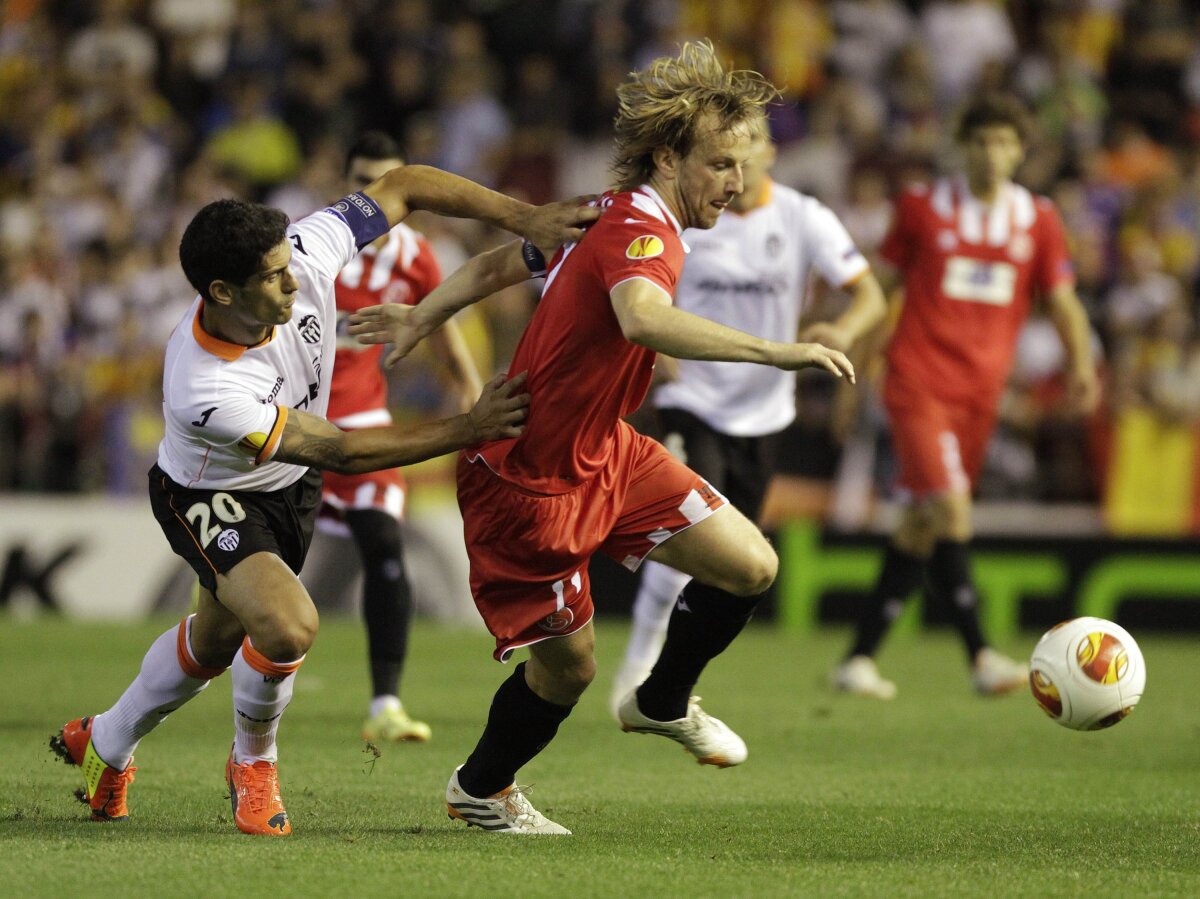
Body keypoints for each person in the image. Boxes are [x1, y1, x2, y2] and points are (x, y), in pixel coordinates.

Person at [351, 40, 854, 835]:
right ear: (669, 157)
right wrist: (775, 351)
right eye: (720, 164)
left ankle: (662, 698)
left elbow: (500, 265)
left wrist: (425, 312)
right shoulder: (640, 230)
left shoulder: (604, 212)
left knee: (752, 565)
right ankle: (480, 788)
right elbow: (642, 318)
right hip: (530, 479)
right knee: (569, 670)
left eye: (742, 164)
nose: (736, 181)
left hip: (609, 452)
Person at [49, 163, 597, 836]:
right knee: (287, 625)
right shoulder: (206, 386)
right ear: (222, 292)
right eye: (273, 277)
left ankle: (104, 742)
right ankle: (253, 763)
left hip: (289, 485)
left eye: (288, 264)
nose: (295, 280)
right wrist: (470, 427)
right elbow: (341, 451)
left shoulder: (305, 252)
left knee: (216, 639)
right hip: (209, 493)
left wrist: (527, 217)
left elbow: (406, 185)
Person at [609, 127, 888, 714]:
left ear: (772, 151)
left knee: (730, 561)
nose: (740, 161)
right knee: (686, 530)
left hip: (764, 413)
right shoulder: (689, 216)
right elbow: (640, 292)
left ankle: (666, 684)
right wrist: (653, 345)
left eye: (752, 143)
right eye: (727, 151)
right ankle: (639, 666)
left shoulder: (802, 217)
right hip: (693, 400)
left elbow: (871, 296)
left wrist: (843, 330)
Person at [830, 93, 1100, 699]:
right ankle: (980, 655)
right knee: (952, 510)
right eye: (981, 140)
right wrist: (853, 374)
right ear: (963, 145)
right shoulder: (923, 207)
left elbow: (1062, 302)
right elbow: (880, 293)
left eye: (1004, 142)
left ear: (1021, 151)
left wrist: (1083, 364)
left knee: (921, 525)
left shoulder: (1038, 219)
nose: (991, 153)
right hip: (917, 382)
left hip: (980, 397)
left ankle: (858, 659)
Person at [323, 132, 483, 744]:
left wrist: (469, 392)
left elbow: (441, 328)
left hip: (364, 424)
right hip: (291, 424)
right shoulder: (311, 247)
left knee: (385, 546)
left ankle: (385, 703)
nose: (377, 195)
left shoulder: (415, 256)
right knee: (266, 567)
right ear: (343, 186)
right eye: (364, 181)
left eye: (390, 183)